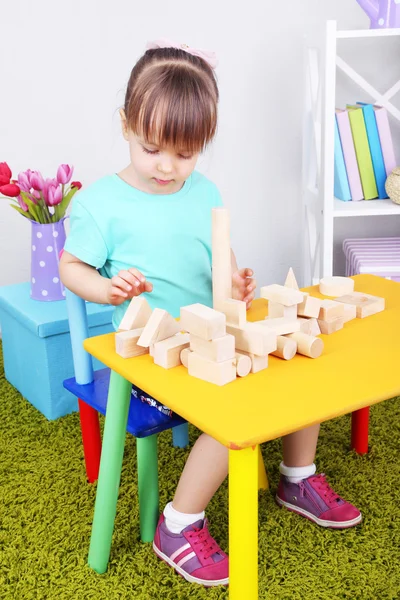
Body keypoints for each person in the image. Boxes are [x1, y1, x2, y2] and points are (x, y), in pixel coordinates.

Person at [59, 39, 362, 589]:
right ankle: (178, 523)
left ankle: (298, 475)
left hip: (211, 331)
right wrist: (105, 288)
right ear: (126, 123)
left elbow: (220, 259)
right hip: (151, 349)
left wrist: (238, 284)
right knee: (236, 412)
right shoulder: (100, 203)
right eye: (153, 148)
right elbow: (70, 267)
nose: (167, 167)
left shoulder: (204, 192)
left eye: (185, 153)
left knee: (296, 359)